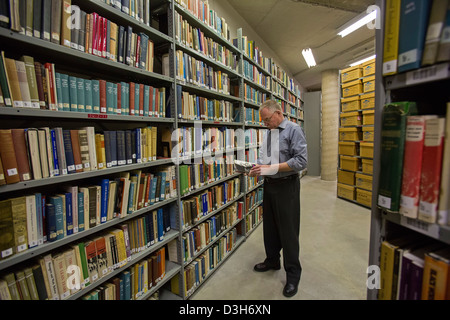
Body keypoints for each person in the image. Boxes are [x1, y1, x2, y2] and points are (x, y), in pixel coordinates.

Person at [248, 99, 307, 298]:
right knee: (270, 227)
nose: (265, 124)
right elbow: (265, 158)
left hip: (287, 186)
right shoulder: (269, 133)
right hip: (270, 185)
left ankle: (293, 275)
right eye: (263, 122)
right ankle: (272, 260)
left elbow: (301, 161)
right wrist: (257, 167)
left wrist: (272, 168)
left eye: (267, 120)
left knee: (288, 231)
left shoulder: (293, 130)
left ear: (278, 113)